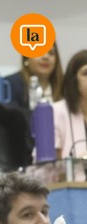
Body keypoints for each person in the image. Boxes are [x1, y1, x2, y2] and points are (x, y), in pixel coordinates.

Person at [53, 49, 87, 181]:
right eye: (86, 73)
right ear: (73, 80)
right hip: (70, 189)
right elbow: (48, 167)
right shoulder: (56, 111)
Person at [4, 43, 63, 110]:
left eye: (51, 53)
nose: (46, 57)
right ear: (26, 57)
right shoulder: (11, 84)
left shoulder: (64, 86)